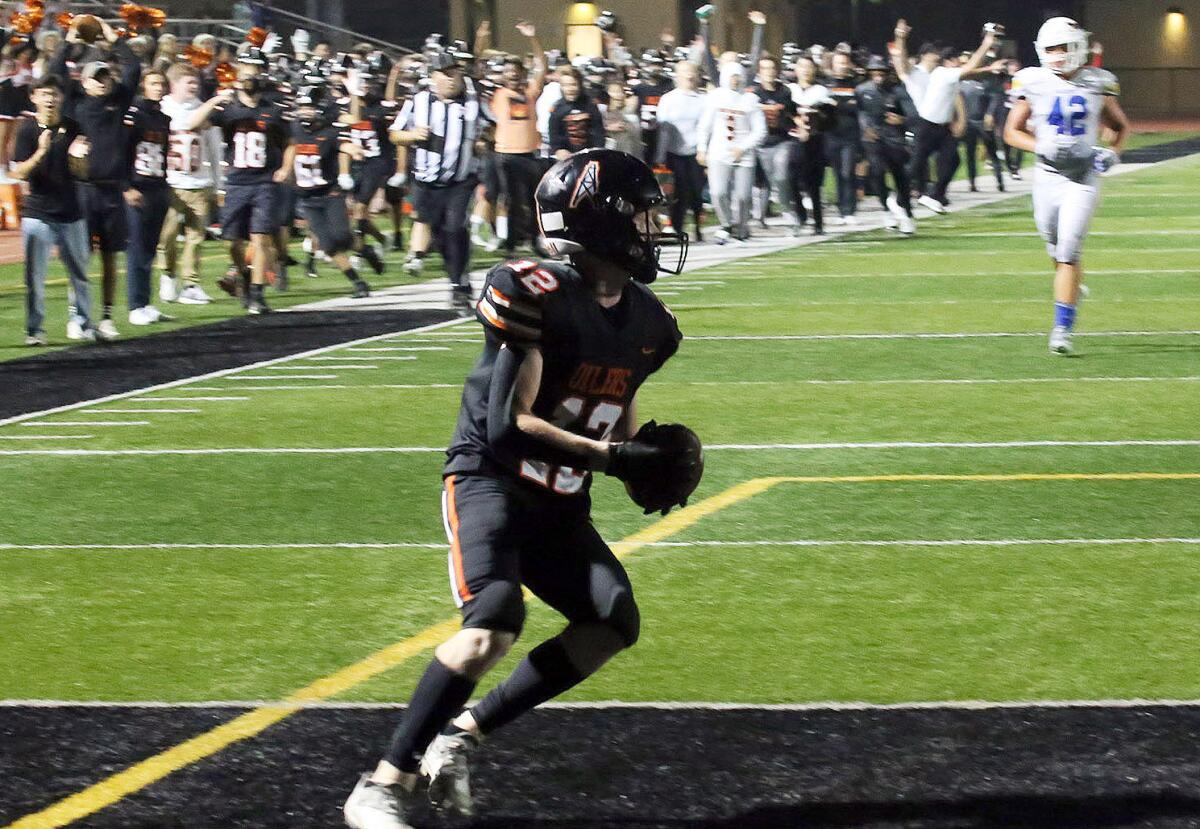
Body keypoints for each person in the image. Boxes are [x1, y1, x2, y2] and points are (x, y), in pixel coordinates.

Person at [341, 148, 696, 829]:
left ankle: (460, 734)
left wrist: (639, 454)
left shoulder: (650, 323)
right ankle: (382, 782)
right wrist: (615, 457)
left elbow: (616, 402)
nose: (657, 228)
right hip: (492, 481)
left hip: (560, 496)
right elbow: (510, 425)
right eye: (645, 214)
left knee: (612, 621)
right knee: (492, 625)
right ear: (603, 221)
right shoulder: (533, 290)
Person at [1003, 17, 1129, 356]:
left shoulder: (1098, 82)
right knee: (1054, 247)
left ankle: (1062, 327)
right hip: (1047, 175)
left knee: (1069, 249)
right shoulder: (1031, 81)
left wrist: (1113, 155)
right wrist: (1038, 146)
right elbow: (1011, 132)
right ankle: (1071, 286)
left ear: (1079, 48)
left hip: (1082, 176)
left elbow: (1120, 127)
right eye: (1051, 48)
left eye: (1064, 47)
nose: (1058, 55)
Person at [52, 16, 142, 339]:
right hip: (82, 190)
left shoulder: (117, 104)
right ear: (85, 82)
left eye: (105, 76)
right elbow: (54, 74)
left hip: (112, 191)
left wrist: (112, 36)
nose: (103, 81)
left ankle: (104, 316)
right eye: (97, 77)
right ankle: (78, 316)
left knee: (109, 257)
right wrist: (69, 40)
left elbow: (133, 68)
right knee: (80, 257)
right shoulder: (75, 105)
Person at [187, 46, 289, 314]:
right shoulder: (228, 107)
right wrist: (211, 102)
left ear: (262, 72)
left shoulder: (273, 108)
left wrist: (285, 168)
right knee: (231, 241)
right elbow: (192, 125)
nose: (249, 73)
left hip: (264, 181)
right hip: (236, 182)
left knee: (261, 238)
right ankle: (243, 275)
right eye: (245, 67)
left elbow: (289, 142)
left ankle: (257, 294)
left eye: (254, 68)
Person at [390, 51, 488, 304]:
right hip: (426, 181)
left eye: (455, 74)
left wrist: (484, 140)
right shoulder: (418, 100)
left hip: (460, 181)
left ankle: (458, 285)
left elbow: (493, 125)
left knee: (456, 227)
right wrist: (413, 136)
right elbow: (395, 134)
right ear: (433, 77)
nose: (451, 80)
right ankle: (458, 278)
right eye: (445, 75)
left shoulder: (473, 100)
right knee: (440, 234)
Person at [13, 74, 101, 345]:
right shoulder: (27, 130)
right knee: (35, 278)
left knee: (80, 274)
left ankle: (83, 323)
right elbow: (18, 172)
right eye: (44, 93)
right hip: (38, 213)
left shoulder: (74, 128)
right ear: (34, 97)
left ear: (61, 98)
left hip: (71, 211)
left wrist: (80, 159)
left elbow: (84, 173)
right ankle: (35, 330)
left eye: (55, 94)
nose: (50, 99)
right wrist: (40, 152)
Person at [891, 20, 1003, 213]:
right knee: (916, 167)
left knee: (952, 160)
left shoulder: (939, 73)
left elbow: (967, 72)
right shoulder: (927, 73)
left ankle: (934, 195)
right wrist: (900, 38)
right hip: (925, 124)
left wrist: (987, 69)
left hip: (942, 125)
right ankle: (899, 199)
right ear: (926, 55)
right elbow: (901, 62)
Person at [281, 83, 374, 299]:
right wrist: (285, 169)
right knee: (327, 244)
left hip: (330, 193)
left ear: (319, 108)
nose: (305, 111)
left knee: (342, 237)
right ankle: (358, 283)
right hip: (307, 197)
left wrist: (354, 150)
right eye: (302, 107)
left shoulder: (329, 130)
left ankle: (363, 248)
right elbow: (291, 146)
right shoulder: (294, 128)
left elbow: (344, 144)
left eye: (309, 107)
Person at [158, 62, 220, 305]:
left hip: (199, 181)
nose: (194, 86)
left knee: (195, 237)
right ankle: (168, 274)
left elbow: (214, 149)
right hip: (172, 183)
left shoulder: (203, 110)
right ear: (174, 84)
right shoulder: (164, 108)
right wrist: (211, 104)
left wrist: (217, 183)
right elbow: (186, 123)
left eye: (195, 82)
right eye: (188, 82)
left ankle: (191, 284)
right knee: (167, 236)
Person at [122, 69, 173, 326]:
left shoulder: (163, 118)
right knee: (138, 249)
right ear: (144, 86)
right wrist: (126, 186)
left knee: (150, 249)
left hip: (158, 186)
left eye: (162, 83)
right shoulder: (134, 115)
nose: (158, 87)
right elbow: (121, 152)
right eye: (154, 83)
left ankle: (145, 302)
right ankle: (135, 305)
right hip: (139, 186)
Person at [490, 22, 544, 254]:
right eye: (508, 73)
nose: (512, 76)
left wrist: (533, 38)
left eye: (516, 72)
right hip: (505, 155)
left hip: (529, 154)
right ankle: (510, 244)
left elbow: (542, 66)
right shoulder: (498, 94)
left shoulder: (530, 92)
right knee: (510, 201)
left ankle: (535, 240)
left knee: (534, 201)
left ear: (522, 74)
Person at [697, 62, 766, 243]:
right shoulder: (715, 97)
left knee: (743, 196)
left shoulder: (751, 100)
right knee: (718, 192)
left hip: (744, 155)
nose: (735, 80)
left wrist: (742, 147)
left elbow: (760, 130)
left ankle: (741, 226)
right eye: (732, 76)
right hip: (718, 152)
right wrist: (701, 148)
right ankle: (726, 224)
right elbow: (705, 125)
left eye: (738, 76)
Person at [856, 56, 916, 234]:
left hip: (895, 139)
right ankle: (887, 208)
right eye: (874, 73)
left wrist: (902, 119)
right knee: (877, 172)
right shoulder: (862, 90)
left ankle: (906, 210)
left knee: (901, 178)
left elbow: (913, 114)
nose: (878, 76)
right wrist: (865, 128)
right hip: (873, 139)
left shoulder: (898, 91)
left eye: (881, 72)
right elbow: (860, 112)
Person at [750, 53, 798, 230]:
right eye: (765, 69)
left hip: (781, 140)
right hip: (761, 143)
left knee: (781, 175)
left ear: (777, 71)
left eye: (772, 68)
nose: (769, 72)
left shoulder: (784, 91)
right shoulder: (754, 93)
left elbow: (792, 114)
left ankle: (787, 211)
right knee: (763, 180)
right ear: (759, 72)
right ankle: (760, 215)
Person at [787, 53, 830, 235]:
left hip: (815, 142)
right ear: (796, 69)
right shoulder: (789, 89)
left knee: (813, 184)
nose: (805, 70)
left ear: (814, 69)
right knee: (790, 179)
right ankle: (801, 213)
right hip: (793, 141)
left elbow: (828, 118)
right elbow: (785, 114)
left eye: (809, 66)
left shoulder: (821, 91)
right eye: (802, 66)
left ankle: (818, 222)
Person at [548, 66, 604, 160]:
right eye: (565, 85)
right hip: (566, 156)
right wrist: (559, 150)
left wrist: (597, 151)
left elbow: (598, 131)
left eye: (573, 84)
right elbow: (554, 135)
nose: (570, 89)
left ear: (580, 85)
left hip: (589, 155)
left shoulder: (590, 105)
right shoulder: (557, 108)